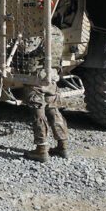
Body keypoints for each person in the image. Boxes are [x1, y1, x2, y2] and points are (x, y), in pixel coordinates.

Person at [22, 26, 69, 162]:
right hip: (51, 75)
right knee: (54, 110)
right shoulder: (57, 31)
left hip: (36, 76)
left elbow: (25, 49)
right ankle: (63, 146)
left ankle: (41, 149)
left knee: (38, 112)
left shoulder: (36, 31)